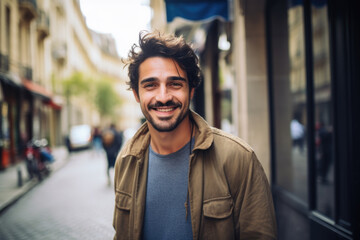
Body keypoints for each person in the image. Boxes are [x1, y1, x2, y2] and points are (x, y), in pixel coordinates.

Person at [113, 31, 277, 239]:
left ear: (191, 91)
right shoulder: (126, 161)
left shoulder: (239, 159)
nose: (163, 97)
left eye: (175, 84)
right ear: (137, 94)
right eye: (151, 85)